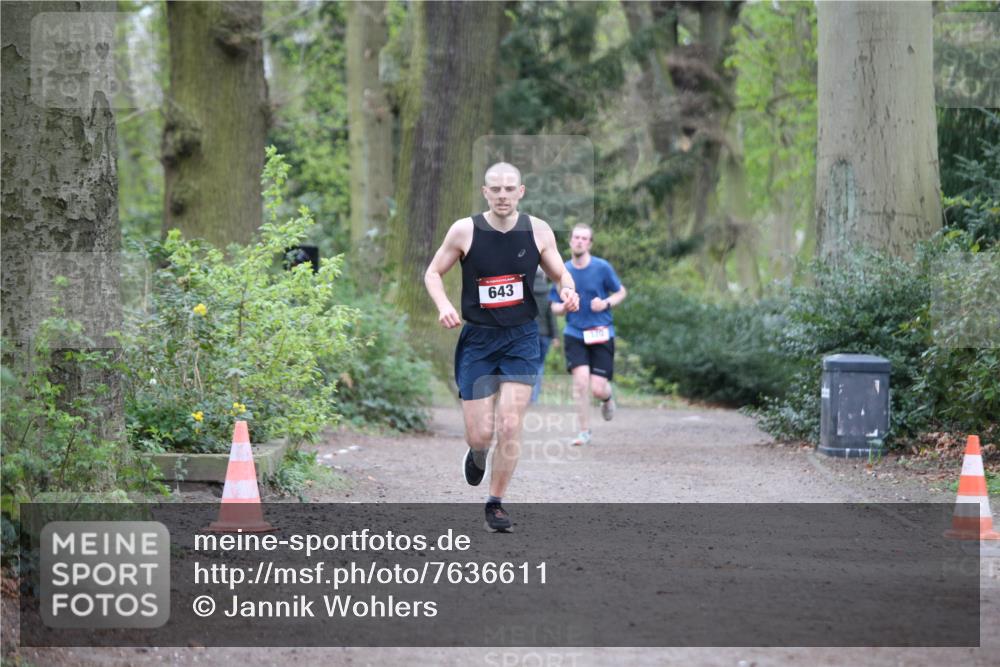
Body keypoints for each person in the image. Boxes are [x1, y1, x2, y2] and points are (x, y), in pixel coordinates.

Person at [424, 162, 579, 532]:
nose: (503, 195)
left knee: (510, 423)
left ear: (521, 191)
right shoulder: (465, 230)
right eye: (496, 189)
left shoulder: (538, 231)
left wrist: (568, 289)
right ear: (485, 192)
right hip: (478, 339)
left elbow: (560, 272)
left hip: (521, 338)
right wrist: (445, 305)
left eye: (510, 189)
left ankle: (495, 504)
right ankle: (477, 452)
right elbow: (433, 273)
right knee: (481, 433)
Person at [550, 223, 627, 446]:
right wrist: (564, 307)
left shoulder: (602, 268)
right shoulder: (562, 271)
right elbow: (553, 306)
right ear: (570, 241)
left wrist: (605, 303)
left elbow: (621, 292)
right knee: (580, 383)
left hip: (601, 332)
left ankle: (607, 397)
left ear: (590, 243)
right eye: (576, 237)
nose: (579, 241)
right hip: (575, 333)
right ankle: (584, 431)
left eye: (584, 238)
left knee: (597, 387)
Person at [530, 266, 558, 404]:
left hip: (529, 334)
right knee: (539, 365)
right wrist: (555, 336)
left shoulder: (525, 292)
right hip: (544, 335)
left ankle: (525, 395)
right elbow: (551, 316)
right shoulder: (548, 294)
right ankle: (534, 397)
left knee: (526, 365)